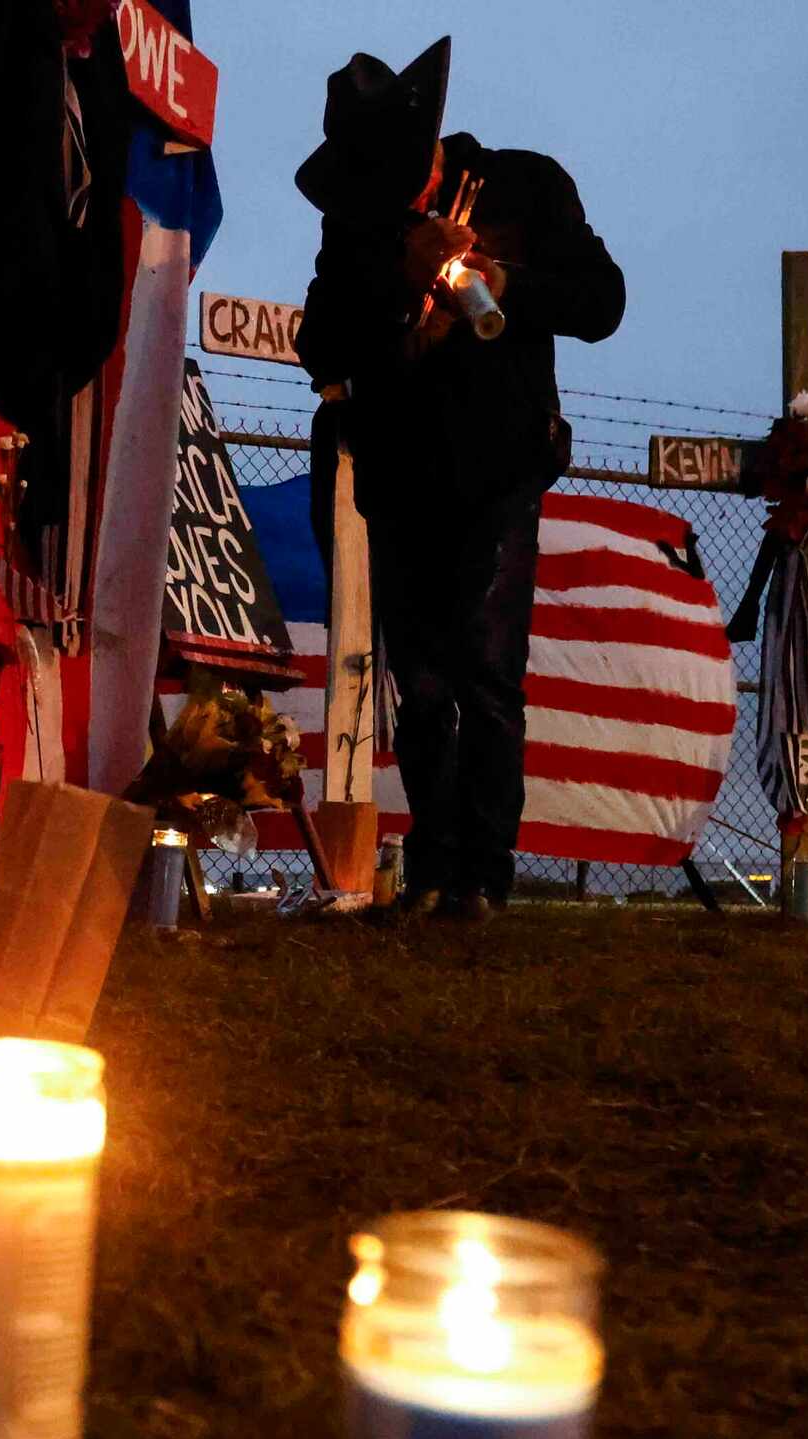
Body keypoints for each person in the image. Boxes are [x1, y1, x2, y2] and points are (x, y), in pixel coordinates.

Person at [295, 37, 625, 920]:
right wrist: (402, 292)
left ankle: (485, 874)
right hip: (399, 471)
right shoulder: (358, 225)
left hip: (500, 466)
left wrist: (500, 280)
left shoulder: (526, 184)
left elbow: (602, 303)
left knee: (484, 669)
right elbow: (319, 346)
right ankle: (434, 865)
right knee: (422, 679)